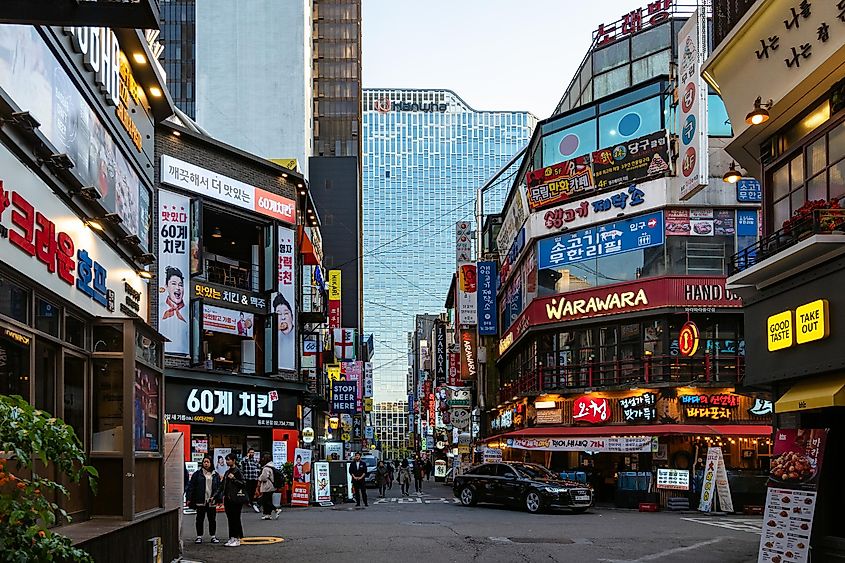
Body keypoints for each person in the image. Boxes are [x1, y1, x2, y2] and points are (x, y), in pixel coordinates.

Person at [186, 457, 221, 544]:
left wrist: (218, 499)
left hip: (211, 500)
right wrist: (189, 498)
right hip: (200, 500)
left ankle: (213, 536)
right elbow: (191, 487)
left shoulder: (215, 474)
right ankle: (199, 536)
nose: (206, 463)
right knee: (199, 519)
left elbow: (219, 488)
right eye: (204, 462)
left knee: (212, 519)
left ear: (211, 463)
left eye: (208, 462)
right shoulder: (197, 474)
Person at [221, 453, 246, 547]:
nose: (227, 461)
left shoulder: (238, 471)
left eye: (229, 460)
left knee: (235, 518)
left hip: (236, 498)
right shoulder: (227, 472)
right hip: (228, 498)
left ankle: (237, 538)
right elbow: (222, 485)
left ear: (234, 460)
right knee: (230, 518)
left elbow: (243, 483)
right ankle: (232, 537)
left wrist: (234, 479)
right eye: (226, 460)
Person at [159, 266, 187, 351]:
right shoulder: (161, 308)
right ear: (166, 286)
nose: (178, 288)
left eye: (180, 285)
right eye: (174, 284)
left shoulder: (188, 311)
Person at [257, 454, 282, 520]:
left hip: (267, 486)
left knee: (265, 501)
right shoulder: (272, 466)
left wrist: (259, 478)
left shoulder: (266, 468)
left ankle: (276, 509)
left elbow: (264, 478)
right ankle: (268, 514)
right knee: (268, 500)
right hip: (272, 486)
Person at [274, 293, 294, 368]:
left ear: (292, 316)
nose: (283, 318)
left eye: (286, 313)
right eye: (279, 314)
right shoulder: (273, 334)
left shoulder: (294, 338)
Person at [240, 448, 261, 514]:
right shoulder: (245, 459)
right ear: (248, 453)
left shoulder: (255, 460)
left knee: (252, 490)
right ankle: (247, 501)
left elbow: (258, 466)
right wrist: (247, 457)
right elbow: (242, 464)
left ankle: (251, 501)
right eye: (251, 452)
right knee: (247, 490)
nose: (252, 454)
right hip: (247, 477)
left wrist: (257, 471)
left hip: (254, 478)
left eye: (253, 452)